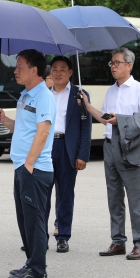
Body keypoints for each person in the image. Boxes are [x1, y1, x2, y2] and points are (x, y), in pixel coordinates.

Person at [81, 47, 140, 261]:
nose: (113, 66)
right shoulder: (111, 90)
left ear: (129, 65)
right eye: (111, 63)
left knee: (134, 197)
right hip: (109, 145)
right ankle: (118, 241)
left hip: (129, 146)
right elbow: (105, 118)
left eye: (117, 62)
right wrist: (87, 106)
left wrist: (120, 120)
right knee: (114, 197)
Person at [0, 49, 55, 278]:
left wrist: (29, 163)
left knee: (34, 220)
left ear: (34, 70)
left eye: (20, 66)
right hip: (22, 167)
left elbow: (43, 131)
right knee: (25, 219)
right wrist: (5, 120)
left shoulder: (43, 96)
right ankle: (31, 262)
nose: (15, 70)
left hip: (35, 168)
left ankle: (38, 269)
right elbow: (22, 127)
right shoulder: (25, 96)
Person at [44, 56, 92, 253]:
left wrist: (83, 155)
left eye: (62, 69)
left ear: (70, 72)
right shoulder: (44, 94)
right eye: (54, 69)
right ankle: (40, 236)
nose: (58, 73)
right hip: (46, 147)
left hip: (67, 148)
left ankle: (63, 236)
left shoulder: (80, 95)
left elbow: (86, 127)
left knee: (65, 194)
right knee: (42, 194)